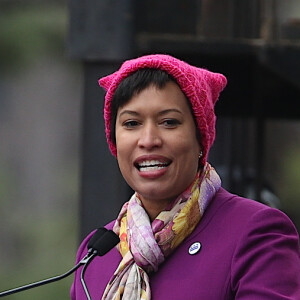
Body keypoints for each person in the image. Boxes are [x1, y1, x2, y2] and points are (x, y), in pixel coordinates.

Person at [71, 54, 300, 299]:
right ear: (115, 141)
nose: (148, 140)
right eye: (131, 123)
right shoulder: (96, 253)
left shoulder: (256, 232)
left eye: (169, 122)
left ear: (201, 138)